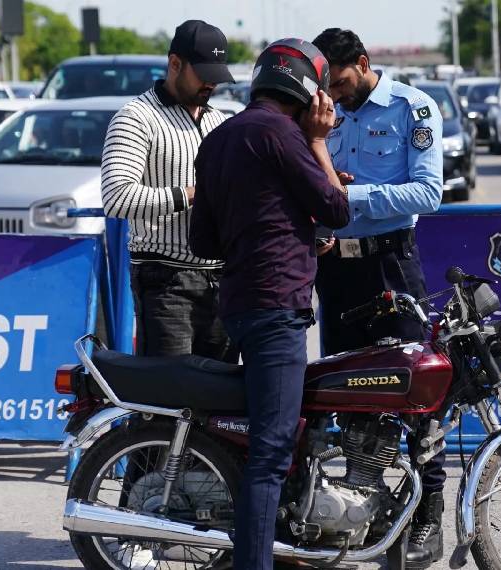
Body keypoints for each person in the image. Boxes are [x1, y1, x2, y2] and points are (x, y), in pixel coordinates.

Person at [189, 39, 350, 570]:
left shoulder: (217, 139)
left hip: (237, 304)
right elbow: (335, 207)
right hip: (277, 307)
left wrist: (288, 230)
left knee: (270, 442)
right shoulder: (285, 135)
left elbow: (204, 242)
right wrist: (320, 144)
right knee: (270, 455)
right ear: (306, 88)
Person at [310, 28, 446, 568]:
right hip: (337, 274)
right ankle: (361, 507)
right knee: (345, 394)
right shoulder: (323, 112)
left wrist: (350, 197)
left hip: (391, 267)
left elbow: (429, 192)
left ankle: (427, 514)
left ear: (363, 64)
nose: (335, 94)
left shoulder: (414, 109)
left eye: (340, 81)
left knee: (417, 395)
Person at [99, 20, 236, 362]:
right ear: (175, 63)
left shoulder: (219, 120)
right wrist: (192, 194)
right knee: (167, 403)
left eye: (217, 74)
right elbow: (116, 197)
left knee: (219, 403)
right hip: (166, 280)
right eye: (203, 73)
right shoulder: (136, 117)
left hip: (222, 280)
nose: (211, 83)